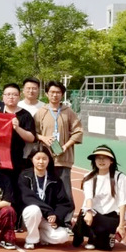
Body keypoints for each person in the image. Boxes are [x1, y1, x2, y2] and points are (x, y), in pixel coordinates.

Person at [74, 145, 126, 251]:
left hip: (111, 215)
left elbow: (123, 202)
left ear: (111, 161)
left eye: (105, 158)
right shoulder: (89, 176)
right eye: (98, 158)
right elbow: (89, 198)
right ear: (94, 161)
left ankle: (98, 237)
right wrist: (89, 212)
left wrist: (121, 225)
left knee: (105, 247)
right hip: (93, 213)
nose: (101, 161)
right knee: (77, 241)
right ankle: (84, 232)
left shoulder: (120, 177)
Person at [34, 81, 82, 215]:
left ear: (62, 94)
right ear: (46, 94)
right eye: (52, 92)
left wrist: (66, 145)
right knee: (45, 188)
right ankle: (47, 216)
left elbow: (78, 131)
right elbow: (33, 132)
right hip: (44, 159)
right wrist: (43, 138)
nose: (54, 95)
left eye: (58, 92)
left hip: (63, 158)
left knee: (65, 189)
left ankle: (66, 219)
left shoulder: (68, 112)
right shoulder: (41, 112)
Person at [19, 145, 72, 249]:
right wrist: (48, 211)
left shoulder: (55, 179)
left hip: (46, 218)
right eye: (38, 158)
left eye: (44, 159)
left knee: (63, 236)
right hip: (28, 217)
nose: (41, 162)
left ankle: (40, 235)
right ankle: (31, 240)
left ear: (49, 160)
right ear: (32, 159)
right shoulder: (24, 176)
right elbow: (27, 197)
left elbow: (64, 202)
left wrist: (56, 217)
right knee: (34, 209)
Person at [0, 83, 36, 187]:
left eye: (14, 95)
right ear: (3, 96)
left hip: (17, 158)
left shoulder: (25, 115)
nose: (11, 97)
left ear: (19, 97)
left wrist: (17, 128)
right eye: (8, 94)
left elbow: (31, 138)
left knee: (16, 186)